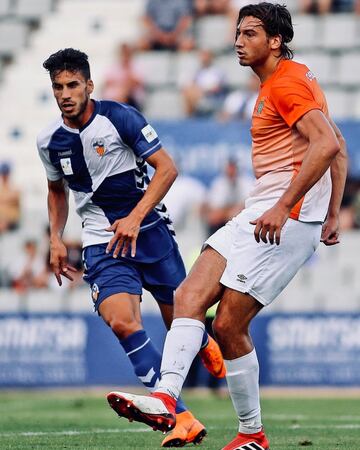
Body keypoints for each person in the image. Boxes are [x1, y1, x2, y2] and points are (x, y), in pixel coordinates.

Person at [106, 3, 347, 450]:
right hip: (261, 210)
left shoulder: (288, 82)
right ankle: (165, 398)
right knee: (188, 296)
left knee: (229, 326)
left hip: (284, 219)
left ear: (275, 41)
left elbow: (328, 143)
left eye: (250, 33)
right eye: (238, 32)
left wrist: (291, 207)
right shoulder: (289, 79)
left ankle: (252, 433)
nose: (239, 40)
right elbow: (340, 144)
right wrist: (332, 211)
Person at [37, 48, 225, 448]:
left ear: (89, 85)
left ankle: (203, 340)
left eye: (73, 85)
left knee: (183, 326)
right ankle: (181, 417)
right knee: (121, 321)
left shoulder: (120, 118)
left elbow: (168, 168)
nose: (65, 93)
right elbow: (56, 191)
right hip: (102, 242)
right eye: (58, 87)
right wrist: (55, 236)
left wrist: (137, 216)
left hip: (150, 232)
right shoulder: (49, 141)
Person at [204, 158, 253, 236]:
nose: (231, 171)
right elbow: (215, 211)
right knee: (214, 219)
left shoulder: (247, 182)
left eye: (233, 168)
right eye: (229, 168)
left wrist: (232, 212)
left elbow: (248, 205)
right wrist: (229, 212)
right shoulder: (219, 183)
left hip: (242, 221)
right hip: (224, 222)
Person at [182, 49, 227, 117]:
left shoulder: (217, 71)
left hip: (213, 97)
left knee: (190, 94)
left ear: (211, 57)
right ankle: (190, 117)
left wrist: (201, 90)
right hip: (199, 95)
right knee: (187, 92)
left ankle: (190, 117)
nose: (203, 59)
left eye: (206, 56)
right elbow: (191, 83)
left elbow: (216, 88)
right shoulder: (198, 71)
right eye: (202, 56)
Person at [101, 43, 145, 111]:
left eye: (127, 53)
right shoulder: (114, 66)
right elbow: (107, 83)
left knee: (124, 92)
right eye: (123, 53)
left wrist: (127, 69)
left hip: (132, 99)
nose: (125, 56)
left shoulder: (137, 66)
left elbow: (136, 83)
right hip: (116, 96)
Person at [0, 161, 21, 233]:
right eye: (3, 173)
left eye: (6, 173)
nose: (4, 176)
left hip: (12, 223)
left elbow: (15, 200)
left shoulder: (15, 188)